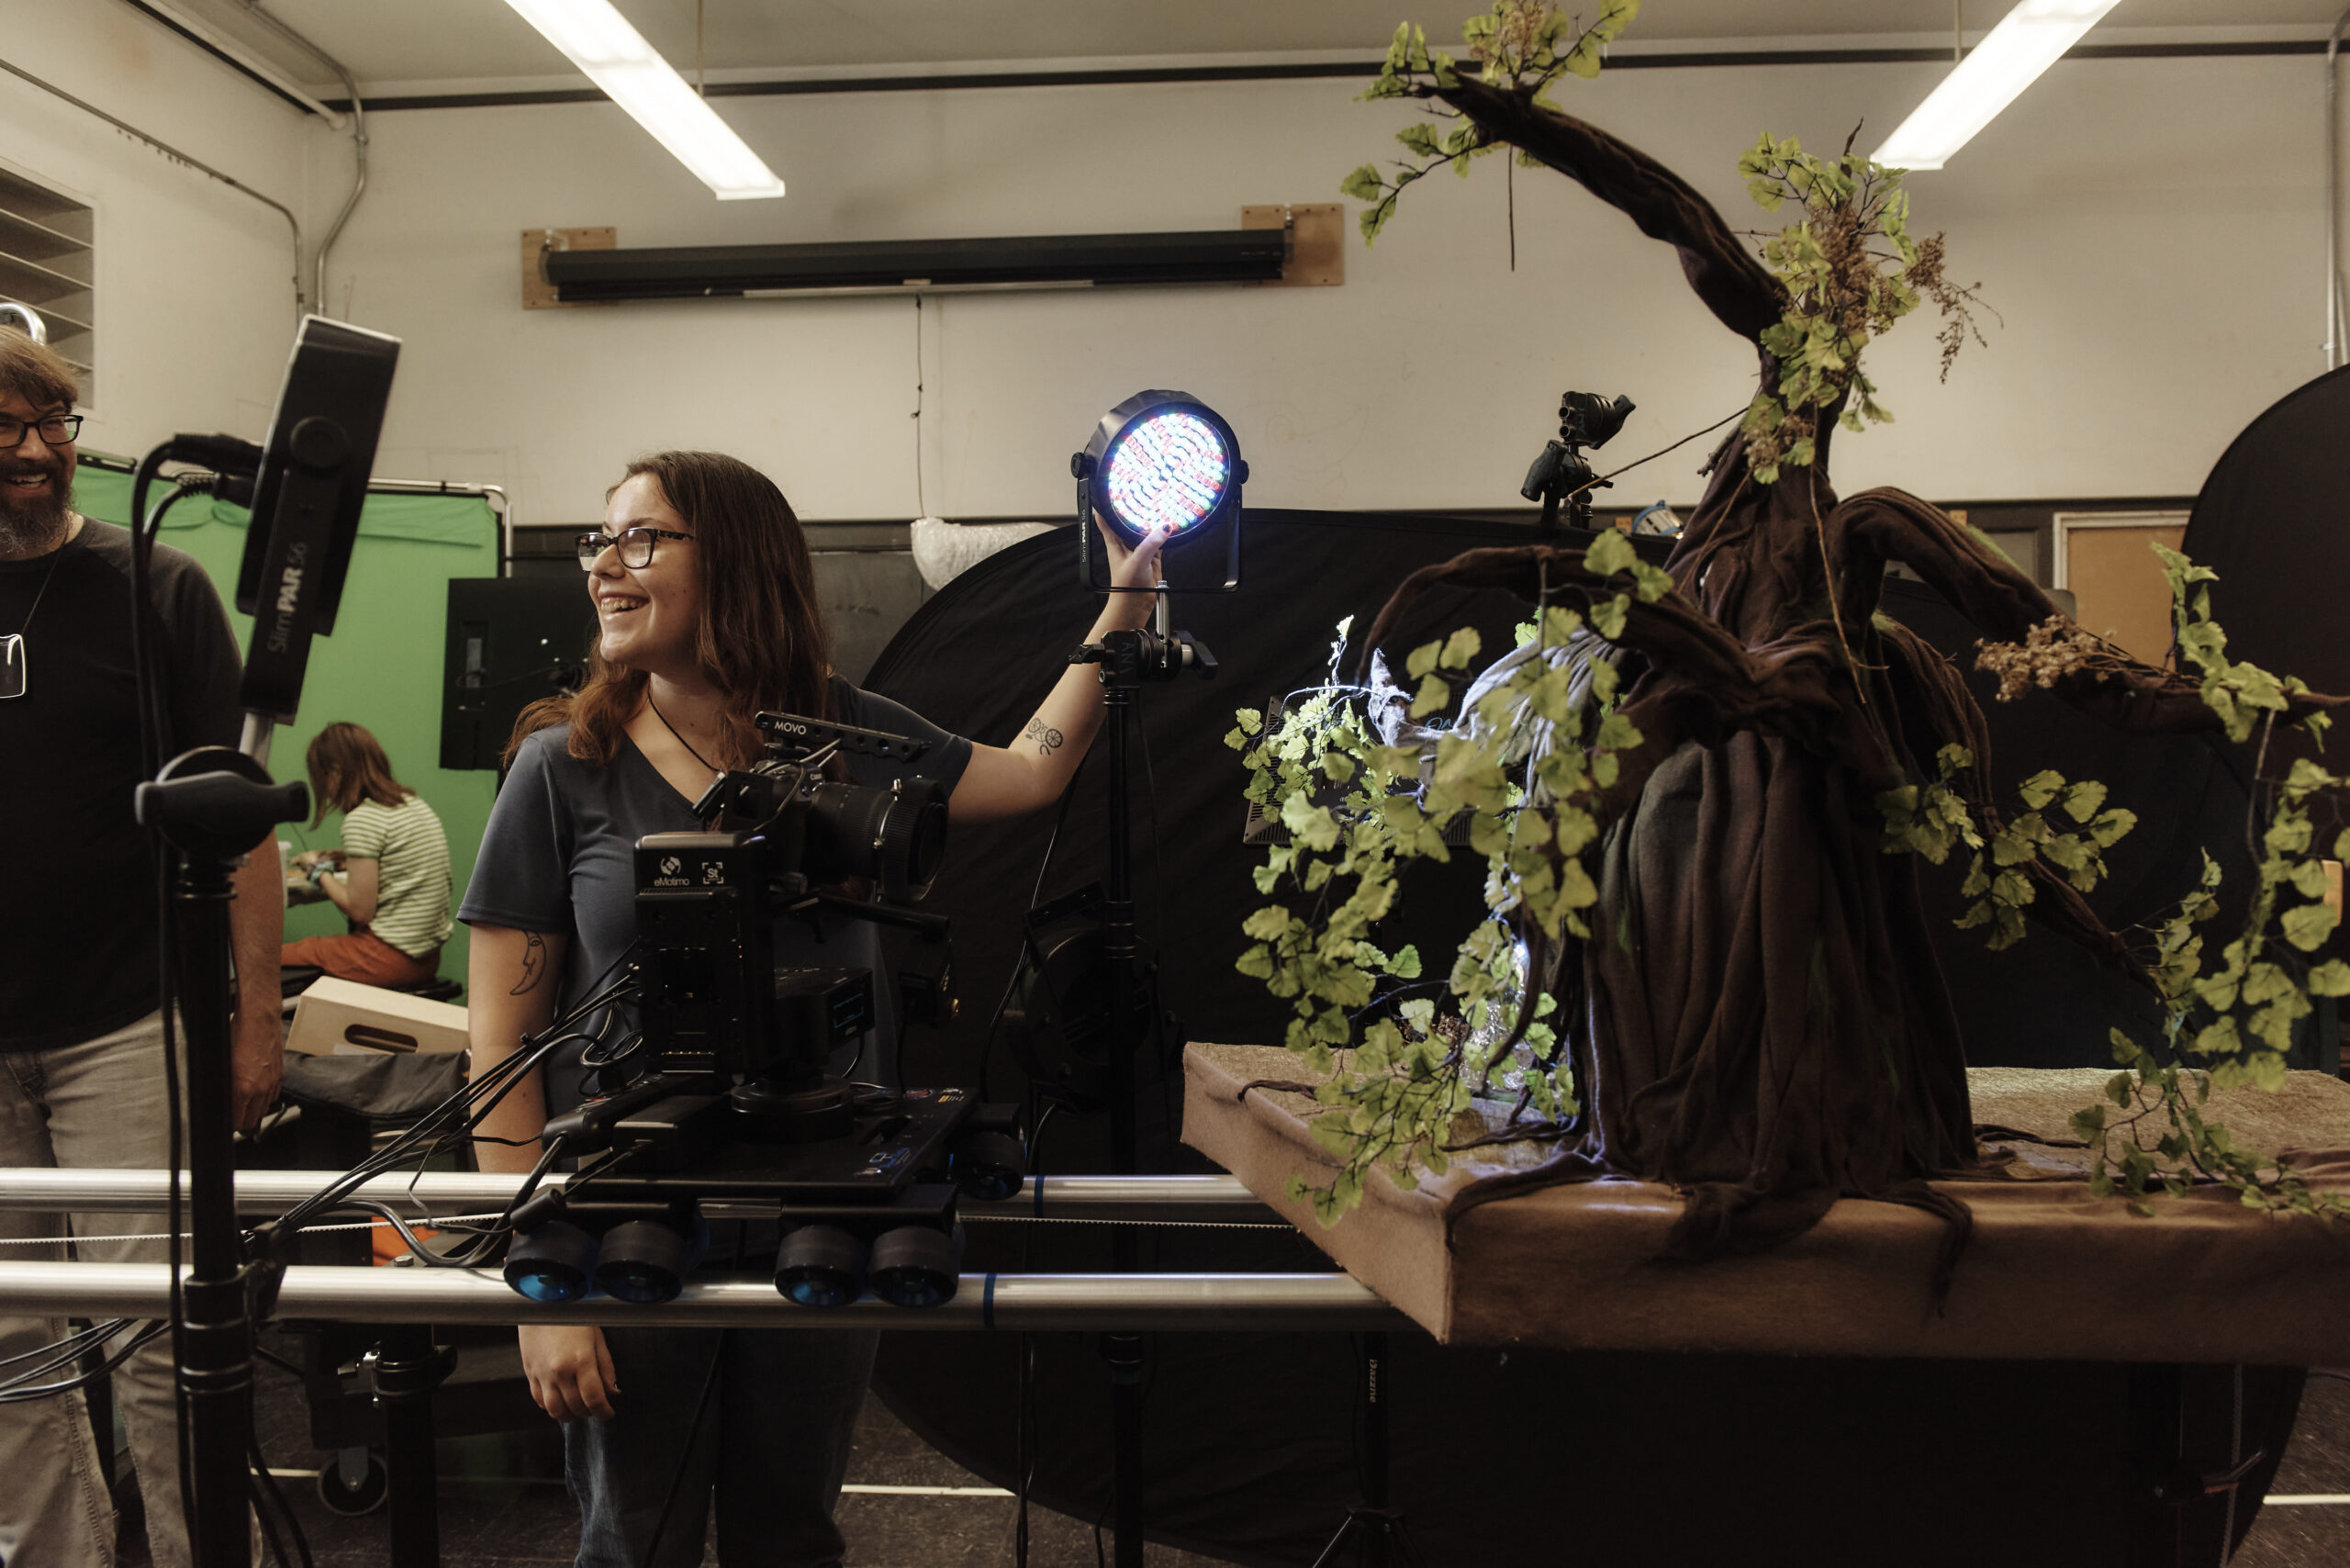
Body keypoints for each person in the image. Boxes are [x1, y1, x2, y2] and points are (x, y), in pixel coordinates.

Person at [459, 449, 1168, 1567]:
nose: (605, 565)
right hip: (629, 1212)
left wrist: (1122, 607)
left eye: (641, 538)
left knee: (790, 1536)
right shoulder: (561, 770)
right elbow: (498, 1047)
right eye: (601, 541)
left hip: (823, 1203)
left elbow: (1027, 774)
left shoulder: (845, 734)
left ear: (733, 560)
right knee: (629, 1539)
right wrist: (534, 1288)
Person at [0, 330, 283, 1567]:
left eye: (50, 423)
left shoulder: (154, 589)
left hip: (123, 1026)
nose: (33, 449)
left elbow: (242, 812)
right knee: (11, 1352)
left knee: (157, 1338)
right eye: (5, 426)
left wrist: (258, 1018)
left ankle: (199, 1557)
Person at [283, 721, 453, 988]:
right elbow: (395, 859)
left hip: (388, 959)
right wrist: (343, 856)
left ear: (335, 772)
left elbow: (359, 911)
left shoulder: (362, 819)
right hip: (426, 960)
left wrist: (317, 869)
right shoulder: (413, 804)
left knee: (277, 955)